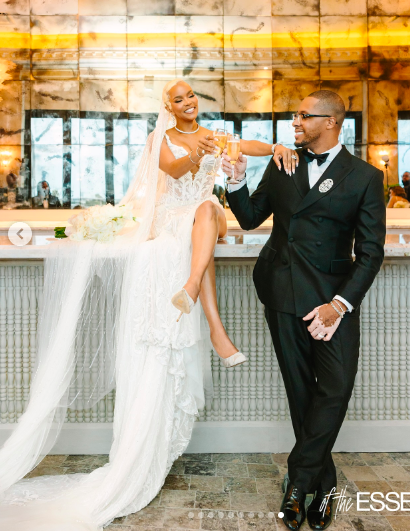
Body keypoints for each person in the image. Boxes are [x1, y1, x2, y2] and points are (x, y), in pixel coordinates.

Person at [0, 79, 295, 530]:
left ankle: (194, 290)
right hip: (175, 222)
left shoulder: (214, 133)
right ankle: (212, 322)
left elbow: (246, 145)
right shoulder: (162, 139)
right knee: (194, 231)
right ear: (168, 106)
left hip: (205, 215)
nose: (188, 102)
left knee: (205, 212)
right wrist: (199, 153)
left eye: (192, 96)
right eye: (179, 99)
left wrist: (274, 145)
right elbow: (174, 172)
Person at [223, 90, 386, 531]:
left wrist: (338, 306)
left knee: (334, 389)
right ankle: (324, 484)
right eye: (295, 113)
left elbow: (370, 253)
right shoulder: (283, 163)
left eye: (303, 115)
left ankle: (299, 481)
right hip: (283, 291)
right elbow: (250, 218)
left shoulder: (366, 177)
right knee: (301, 391)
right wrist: (236, 180)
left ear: (330, 122)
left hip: (333, 301)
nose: (295, 121)